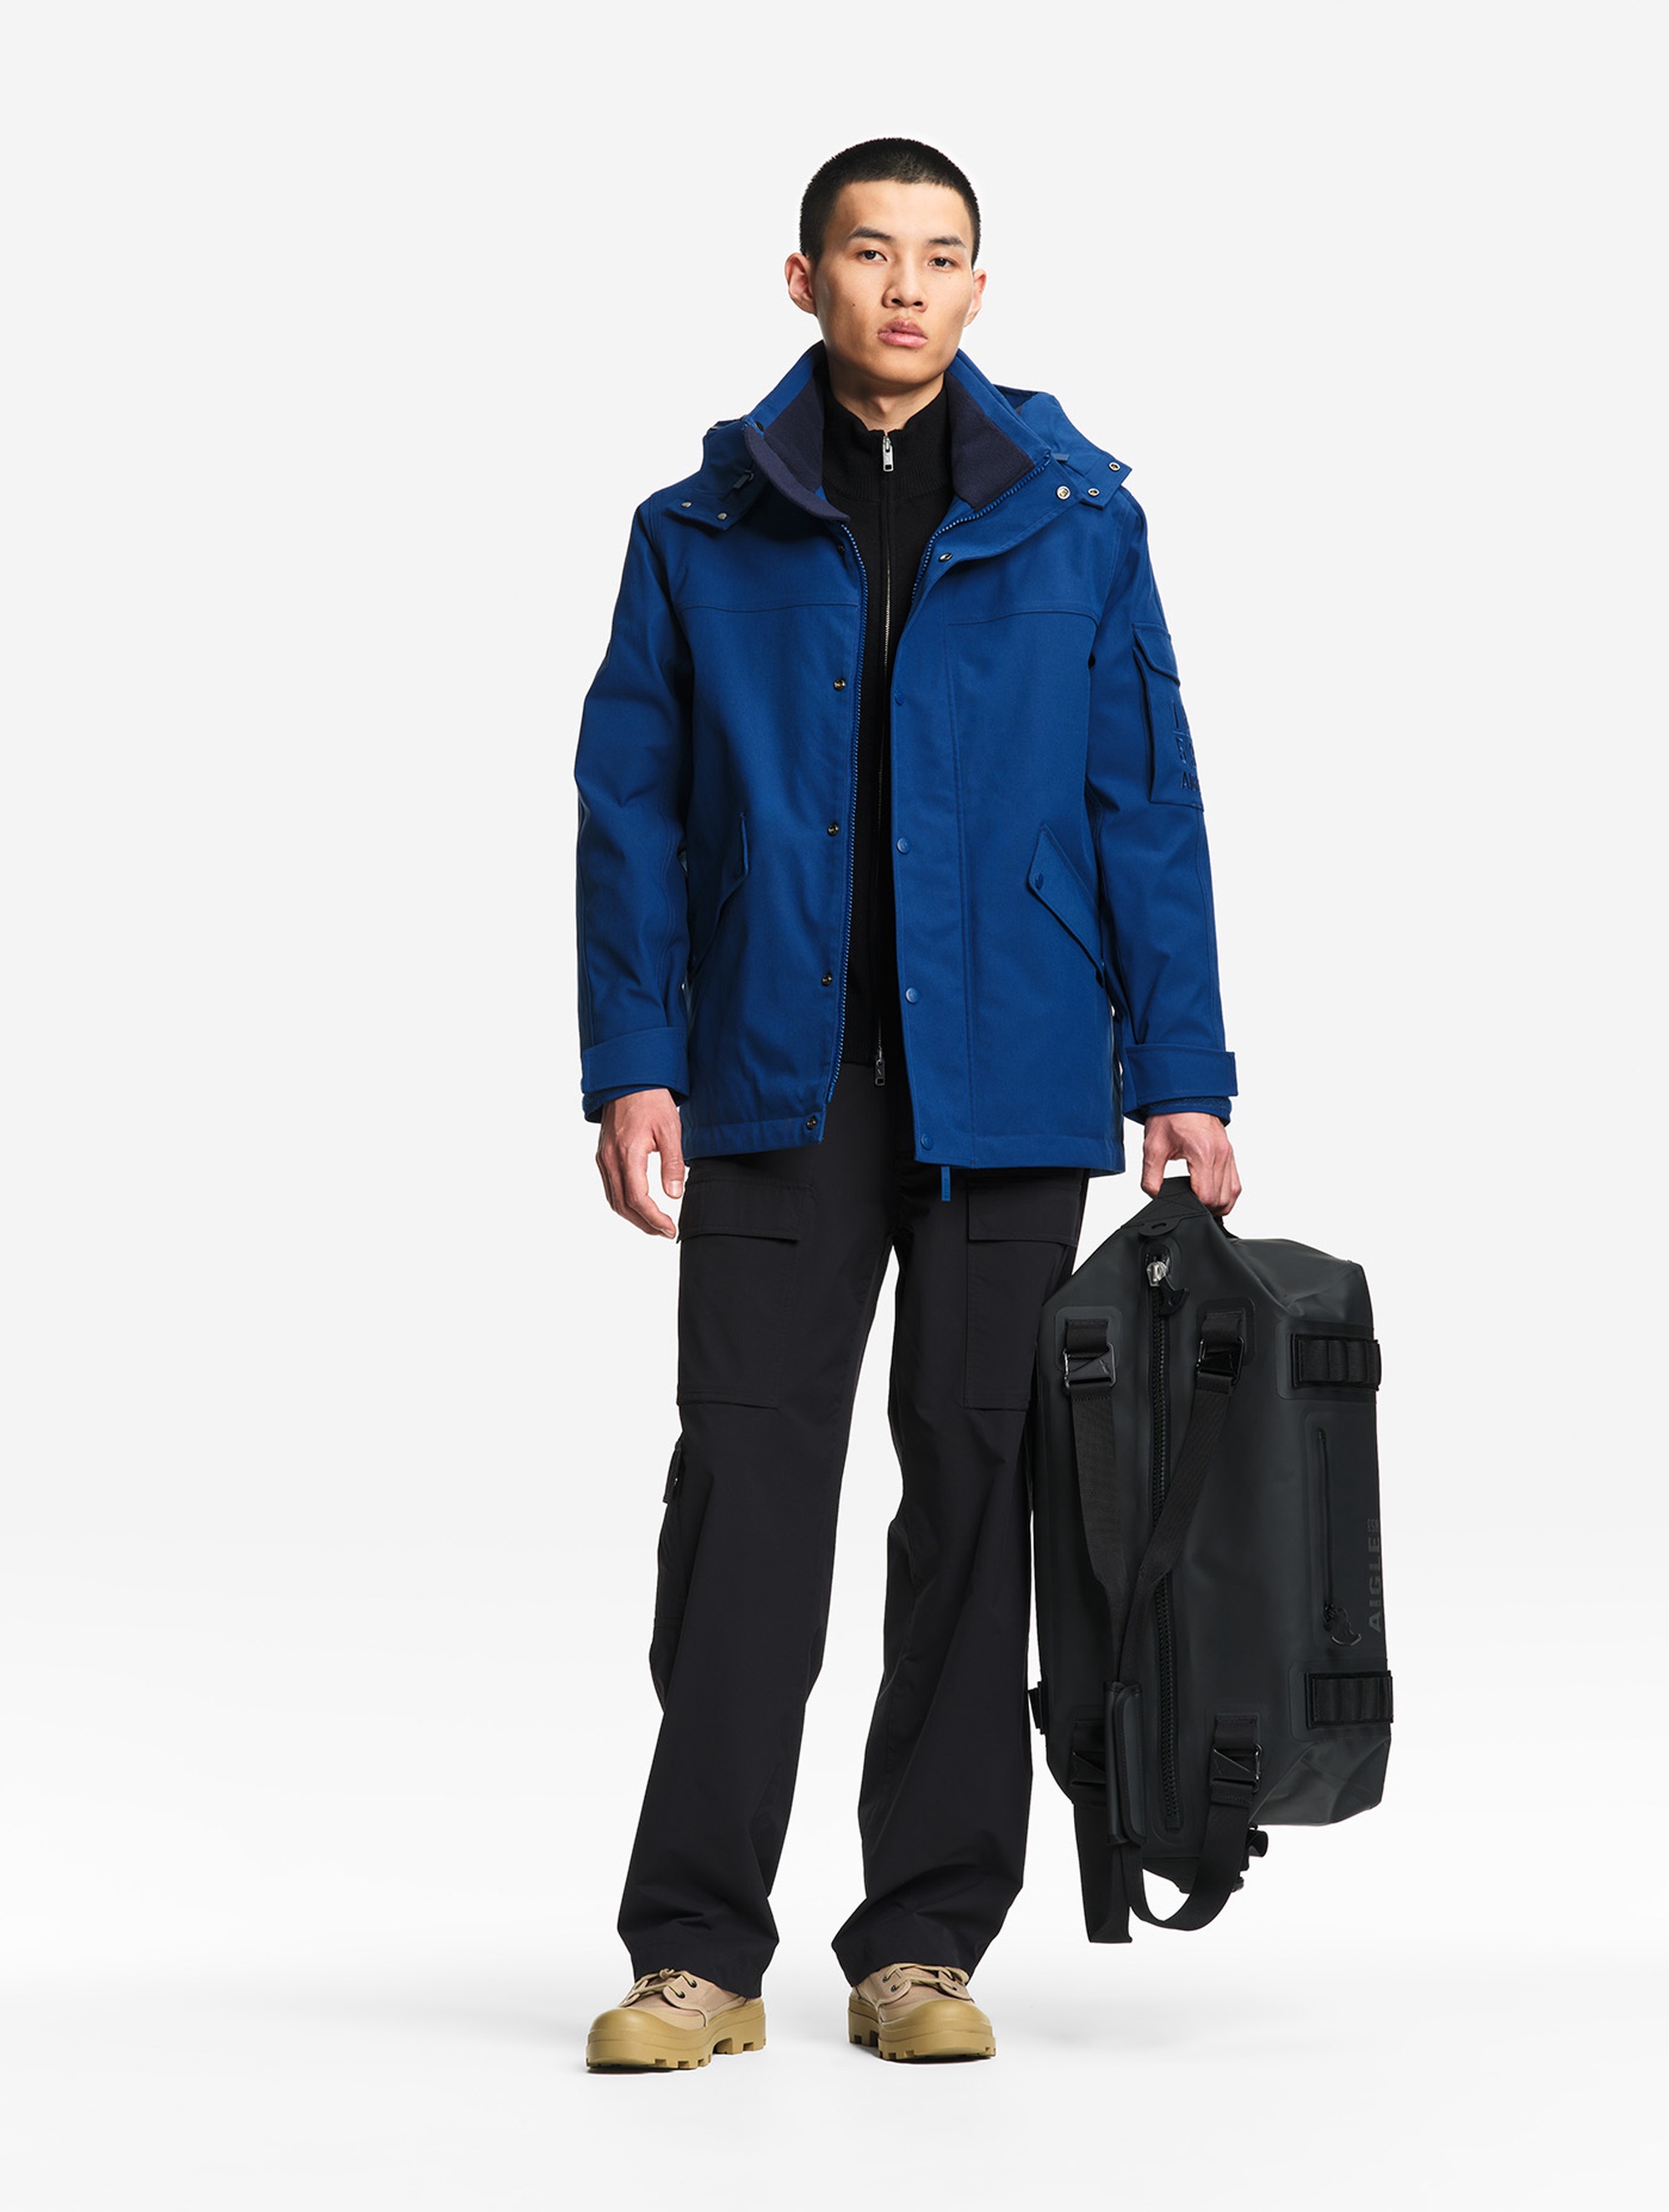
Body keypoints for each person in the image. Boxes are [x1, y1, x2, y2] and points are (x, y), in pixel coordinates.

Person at [573, 138, 1240, 2072]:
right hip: (773, 1083)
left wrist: (1181, 1072)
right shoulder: (698, 528)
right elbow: (631, 807)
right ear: (805, 280)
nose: (903, 287)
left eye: (939, 257)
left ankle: (923, 1942)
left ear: (976, 288)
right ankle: (697, 1949)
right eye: (869, 252)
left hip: (1009, 1084)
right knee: (746, 1497)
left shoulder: (1074, 520)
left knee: (977, 1496)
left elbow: (1144, 802)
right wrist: (635, 1054)